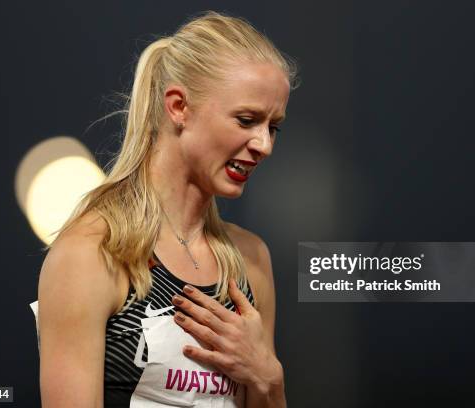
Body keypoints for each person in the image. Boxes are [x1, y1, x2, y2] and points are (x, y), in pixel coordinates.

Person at [33, 10, 298, 408]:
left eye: (273, 127)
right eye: (247, 120)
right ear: (178, 107)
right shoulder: (91, 254)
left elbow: (264, 391)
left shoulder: (250, 261)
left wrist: (269, 380)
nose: (264, 145)